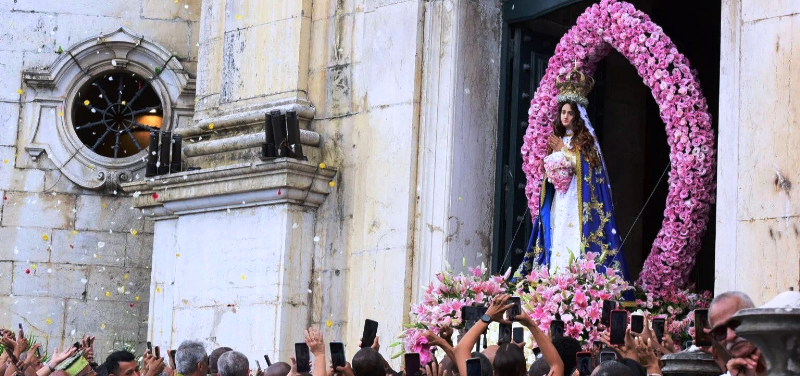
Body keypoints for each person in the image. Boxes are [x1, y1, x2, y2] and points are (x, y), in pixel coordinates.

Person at [517, 67, 630, 282]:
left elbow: (588, 169)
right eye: (563, 112)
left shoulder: (585, 141)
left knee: (573, 233)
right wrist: (548, 167)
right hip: (560, 198)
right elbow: (552, 169)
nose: (566, 116)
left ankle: (575, 278)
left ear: (577, 115)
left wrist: (563, 150)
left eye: (570, 112)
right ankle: (555, 277)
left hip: (577, 201)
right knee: (557, 232)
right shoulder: (557, 139)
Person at [706, 291, 765, 376]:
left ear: (756, 320)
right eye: (720, 331)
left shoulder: (789, 365)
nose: (730, 336)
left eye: (736, 323)